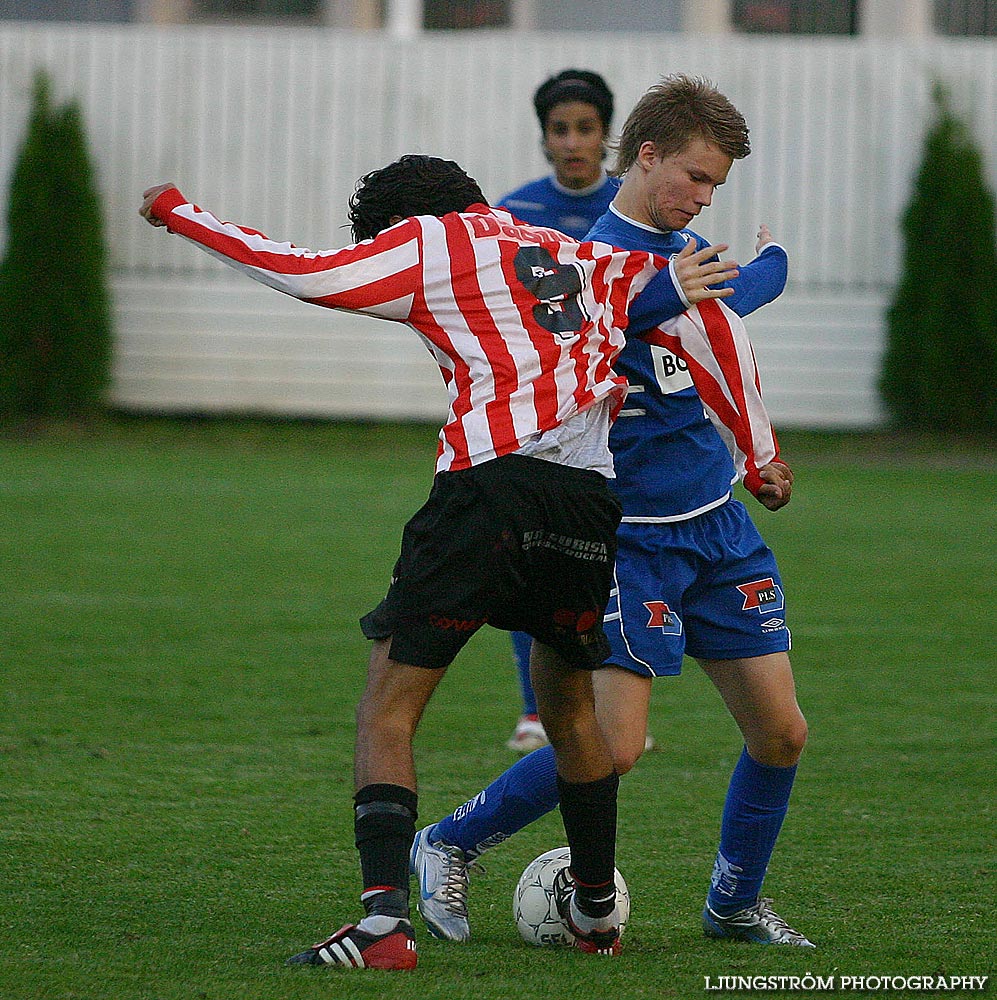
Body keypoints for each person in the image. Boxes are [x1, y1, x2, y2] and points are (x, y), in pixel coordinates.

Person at [139, 154, 741, 968]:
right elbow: (675, 293)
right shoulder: (573, 251)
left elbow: (305, 274)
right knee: (569, 714)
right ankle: (596, 912)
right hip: (589, 506)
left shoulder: (430, 242)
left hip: (488, 492)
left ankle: (383, 926)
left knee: (388, 709)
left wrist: (179, 211)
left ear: (399, 224)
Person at [411, 75, 814, 949]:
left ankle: (733, 905)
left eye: (715, 188)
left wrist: (757, 457)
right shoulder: (586, 267)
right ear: (646, 154)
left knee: (781, 733)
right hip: (630, 540)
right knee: (614, 747)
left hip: (718, 526)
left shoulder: (686, 252)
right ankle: (446, 838)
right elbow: (675, 304)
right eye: (695, 179)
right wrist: (760, 271)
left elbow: (723, 315)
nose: (703, 199)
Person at [498, 68, 623, 754]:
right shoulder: (512, 212)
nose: (573, 142)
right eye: (560, 129)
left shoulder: (638, 210)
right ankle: (533, 711)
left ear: (606, 134)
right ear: (543, 137)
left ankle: (609, 705)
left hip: (620, 416)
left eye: (585, 128)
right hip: (536, 411)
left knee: (610, 561)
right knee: (531, 556)